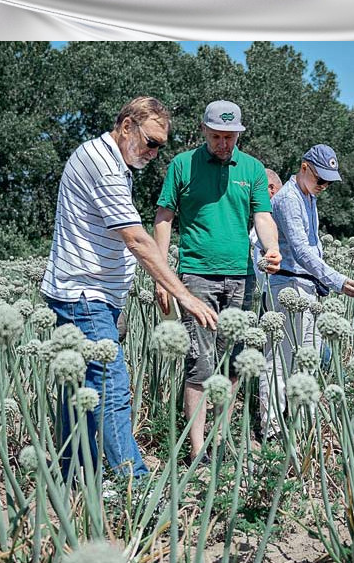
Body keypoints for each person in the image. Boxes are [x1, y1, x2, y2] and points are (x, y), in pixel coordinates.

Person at [41, 96, 218, 481]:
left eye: (160, 146)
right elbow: (137, 240)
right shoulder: (104, 165)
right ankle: (133, 482)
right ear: (126, 127)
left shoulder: (111, 162)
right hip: (84, 295)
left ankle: (75, 478)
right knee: (111, 387)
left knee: (81, 393)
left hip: (89, 294)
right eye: (150, 142)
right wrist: (184, 295)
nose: (154, 152)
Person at [153, 100, 281, 462]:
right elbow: (164, 217)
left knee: (233, 363)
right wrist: (162, 275)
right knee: (199, 362)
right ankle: (197, 450)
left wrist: (271, 248)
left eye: (230, 137)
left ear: (239, 133)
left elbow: (263, 216)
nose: (224, 144)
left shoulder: (253, 168)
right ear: (204, 131)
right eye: (217, 137)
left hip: (241, 276)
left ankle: (220, 441)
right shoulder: (182, 165)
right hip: (196, 276)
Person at [259, 144, 354, 437]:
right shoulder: (288, 199)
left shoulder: (308, 196)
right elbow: (302, 251)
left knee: (307, 357)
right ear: (304, 167)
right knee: (280, 359)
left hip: (306, 285)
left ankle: (298, 423)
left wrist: (323, 280)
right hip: (287, 284)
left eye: (329, 182)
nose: (324, 186)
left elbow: (313, 247)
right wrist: (337, 281)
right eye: (321, 180)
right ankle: (271, 428)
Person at [251, 168, 284, 302]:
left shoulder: (278, 214)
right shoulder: (263, 214)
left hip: (274, 289)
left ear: (271, 189)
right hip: (263, 289)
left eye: (257, 188)